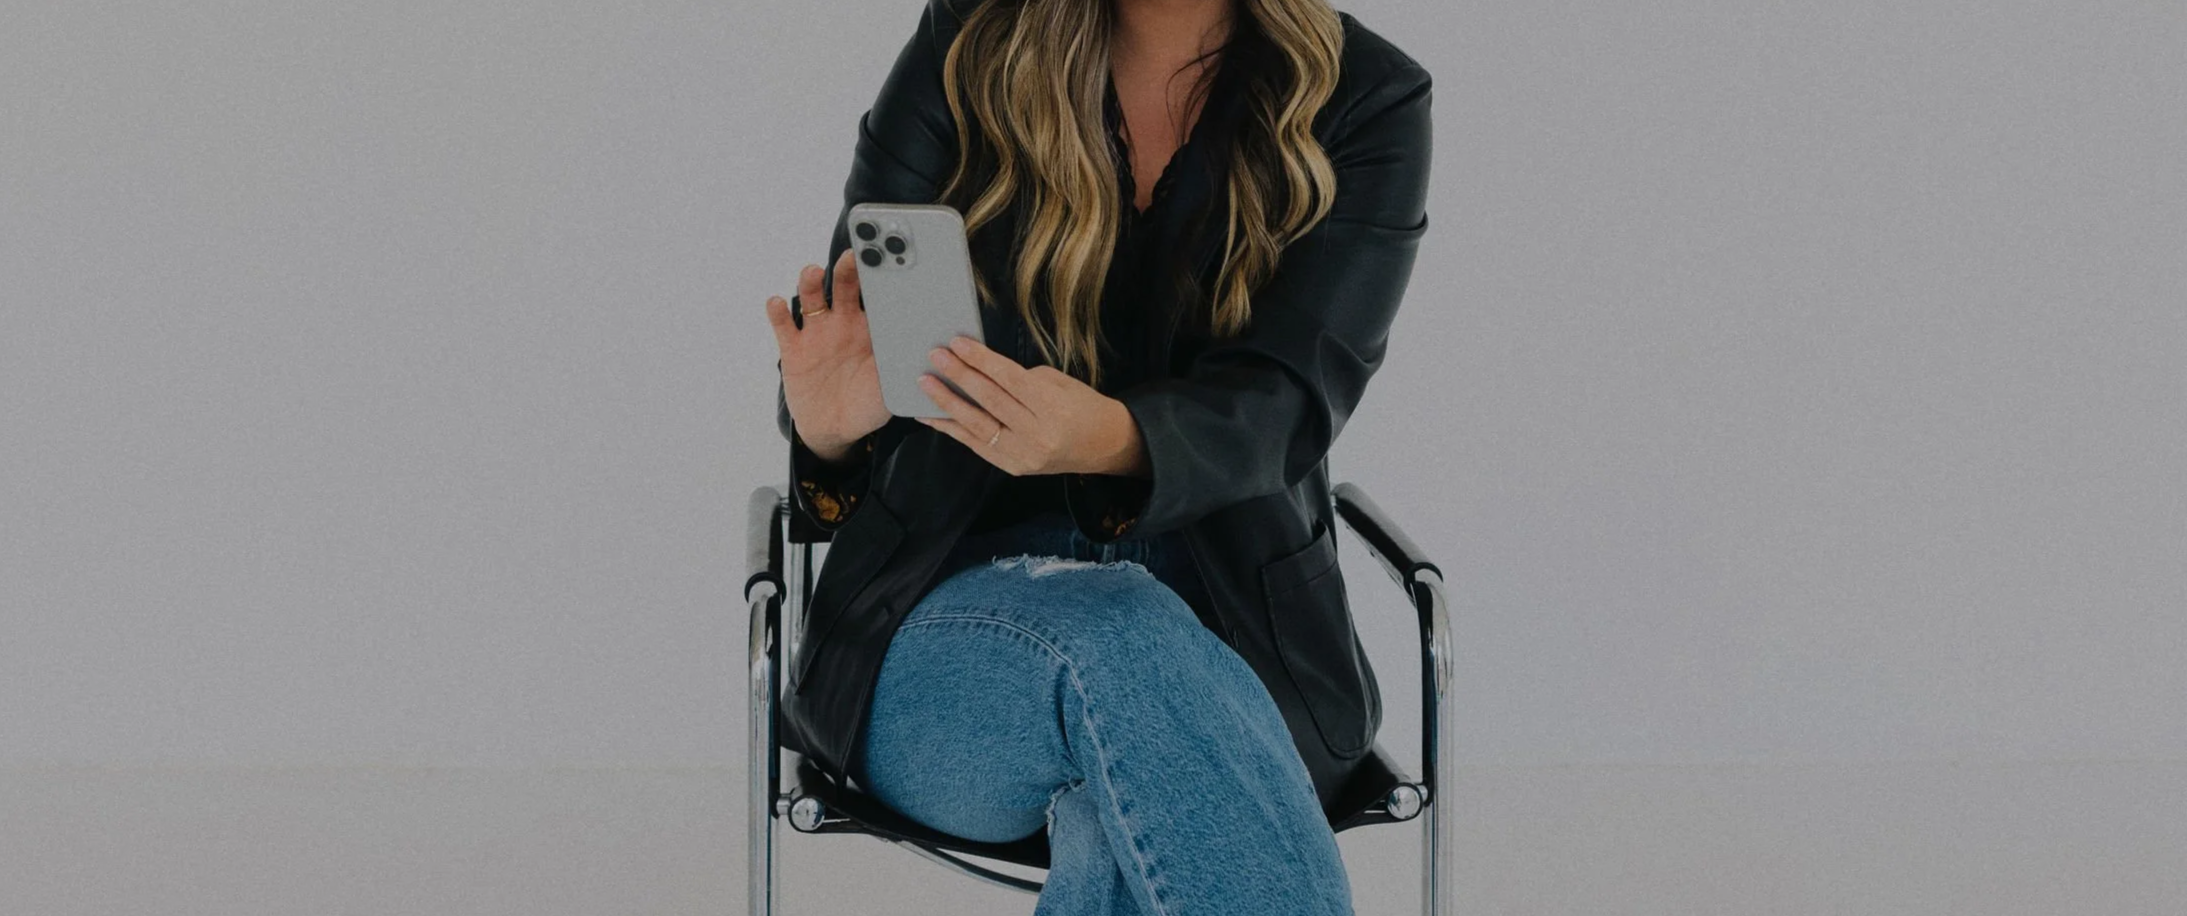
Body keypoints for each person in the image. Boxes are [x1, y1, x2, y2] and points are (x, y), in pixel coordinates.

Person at [761, 0, 1432, 913]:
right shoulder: (968, 43)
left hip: (1244, 649)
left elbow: (1292, 397)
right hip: (935, 643)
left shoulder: (1366, 97)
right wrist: (829, 429)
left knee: (1115, 815)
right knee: (1119, 626)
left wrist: (1106, 436)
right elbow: (871, 344)